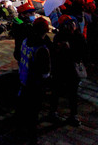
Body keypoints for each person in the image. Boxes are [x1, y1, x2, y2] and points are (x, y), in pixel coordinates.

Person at [15, 16, 52, 144]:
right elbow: (45, 73)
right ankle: (31, 137)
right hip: (34, 85)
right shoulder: (41, 49)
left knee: (23, 109)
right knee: (33, 113)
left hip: (23, 79)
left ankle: (20, 131)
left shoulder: (26, 40)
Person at [49, 14, 87, 126]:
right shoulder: (60, 37)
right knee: (57, 92)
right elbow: (54, 54)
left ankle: (72, 115)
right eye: (69, 24)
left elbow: (83, 53)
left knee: (71, 94)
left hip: (70, 70)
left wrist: (69, 48)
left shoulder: (78, 37)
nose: (72, 25)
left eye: (72, 23)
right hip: (61, 69)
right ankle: (54, 112)